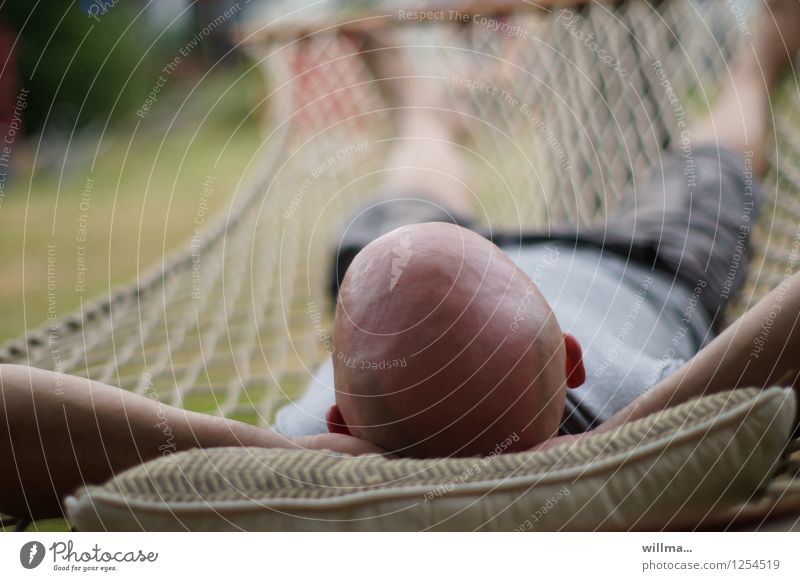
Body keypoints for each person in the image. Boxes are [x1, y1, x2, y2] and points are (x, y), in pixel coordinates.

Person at [2, 0, 800, 520]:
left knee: (415, 199)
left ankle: (421, 110)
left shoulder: (303, 446)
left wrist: (283, 459)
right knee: (716, 158)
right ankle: (758, 61)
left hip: (412, 287)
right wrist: (613, 438)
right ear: (572, 359)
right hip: (640, 273)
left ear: (342, 421)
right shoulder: (659, 420)